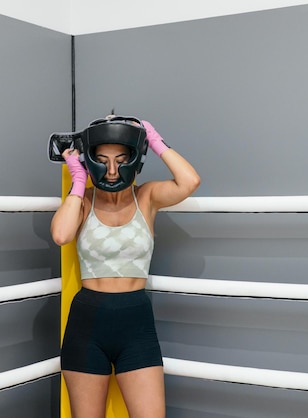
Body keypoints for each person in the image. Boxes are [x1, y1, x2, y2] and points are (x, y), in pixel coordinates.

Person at [50, 114, 200, 418]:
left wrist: (154, 140)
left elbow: (189, 181)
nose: (113, 169)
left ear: (134, 159)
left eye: (121, 159)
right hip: (88, 323)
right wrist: (78, 181)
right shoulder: (85, 202)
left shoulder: (147, 197)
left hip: (136, 323)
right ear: (91, 160)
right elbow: (61, 234)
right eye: (103, 160)